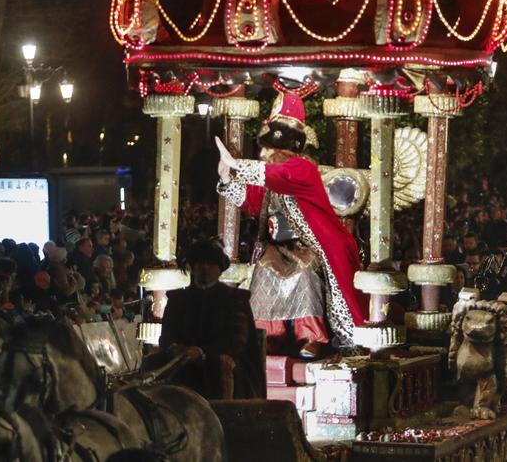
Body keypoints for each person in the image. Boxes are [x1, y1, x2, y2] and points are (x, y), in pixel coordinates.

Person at [215, 89, 364, 356]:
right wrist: (228, 178)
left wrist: (237, 164)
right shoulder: (269, 175)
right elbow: (251, 202)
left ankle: (313, 337)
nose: (265, 151)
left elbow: (278, 175)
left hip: (312, 246)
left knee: (305, 271)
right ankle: (268, 335)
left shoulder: (302, 169)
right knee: (263, 269)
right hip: (277, 246)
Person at [150, 239, 259, 400]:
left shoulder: (233, 299)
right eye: (200, 263)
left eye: (211, 264)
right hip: (182, 358)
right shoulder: (178, 298)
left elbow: (237, 340)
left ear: (219, 269)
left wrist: (202, 352)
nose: (205, 269)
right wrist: (174, 348)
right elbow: (167, 333)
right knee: (153, 365)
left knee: (221, 365)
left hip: (220, 360)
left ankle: (221, 415)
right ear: (193, 267)